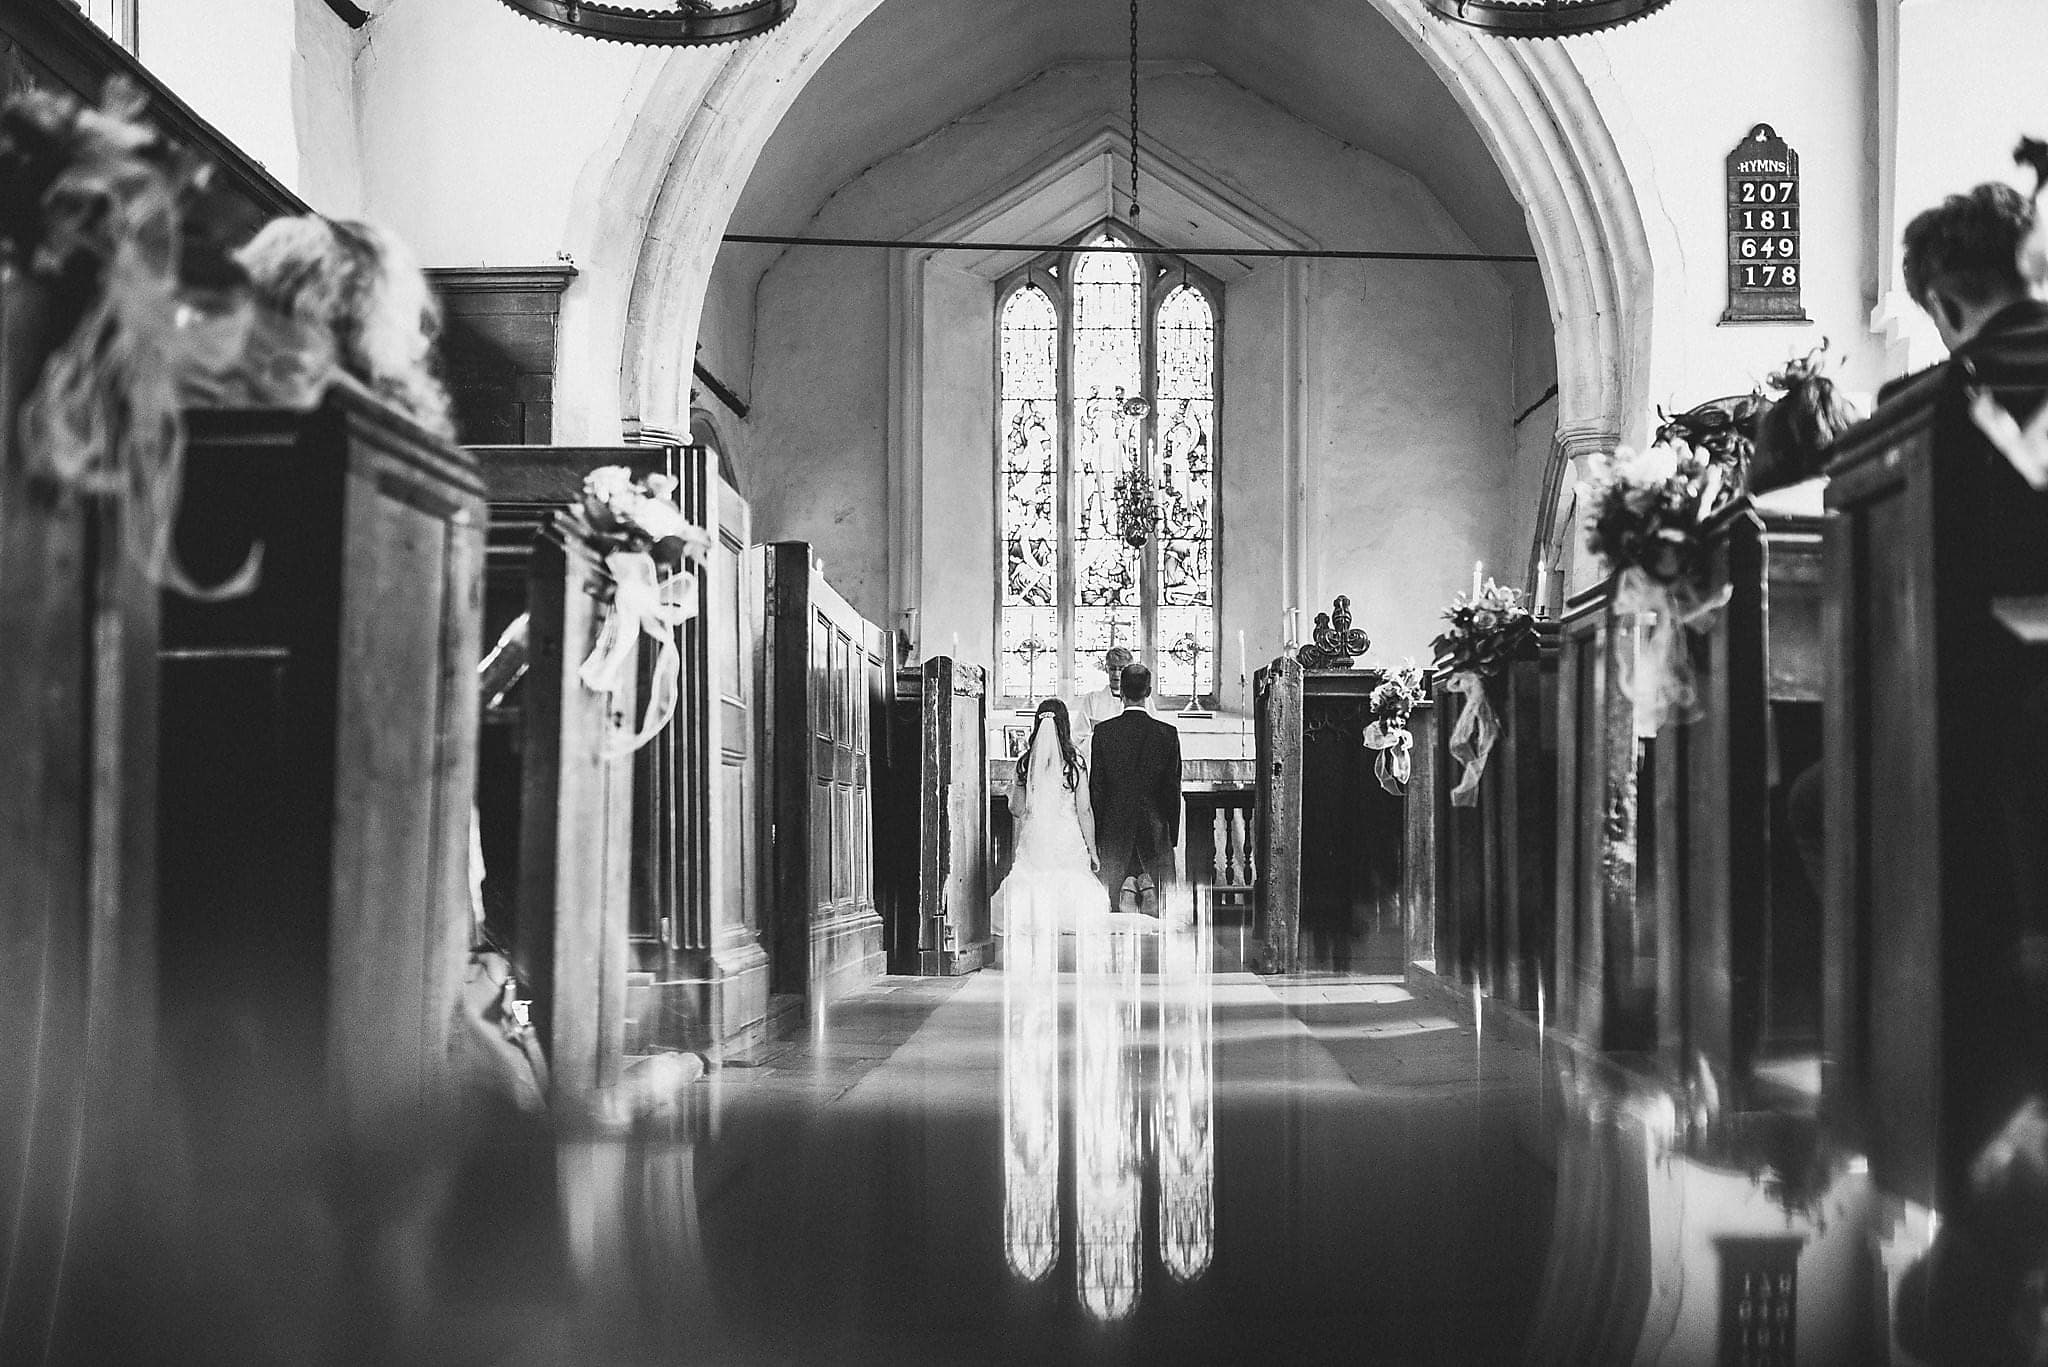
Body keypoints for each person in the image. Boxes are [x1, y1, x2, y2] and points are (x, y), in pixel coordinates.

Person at [991, 699, 1158, 940]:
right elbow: (1084, 810)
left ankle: (1035, 917)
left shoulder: (1025, 764)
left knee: (1033, 874)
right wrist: (1092, 849)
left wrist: (1018, 782)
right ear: (1065, 725)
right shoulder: (1075, 763)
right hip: (1066, 835)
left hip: (1037, 836)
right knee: (1071, 875)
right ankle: (1068, 914)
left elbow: (1016, 810)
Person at [1089, 663, 1184, 921]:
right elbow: (1172, 789)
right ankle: (1145, 884)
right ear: (1149, 691)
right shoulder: (1167, 734)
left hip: (1115, 827)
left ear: (1121, 692)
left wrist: (1097, 835)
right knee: (1158, 919)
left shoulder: (1104, 732)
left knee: (1114, 916)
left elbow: (1096, 787)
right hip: (1153, 827)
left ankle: (1130, 884)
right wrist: (1170, 833)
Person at [1072, 645, 1134, 754]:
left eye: (1121, 669)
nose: (1116, 674)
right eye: (1112, 668)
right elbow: (1079, 738)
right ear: (1106, 668)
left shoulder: (1142, 700)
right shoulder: (1092, 700)